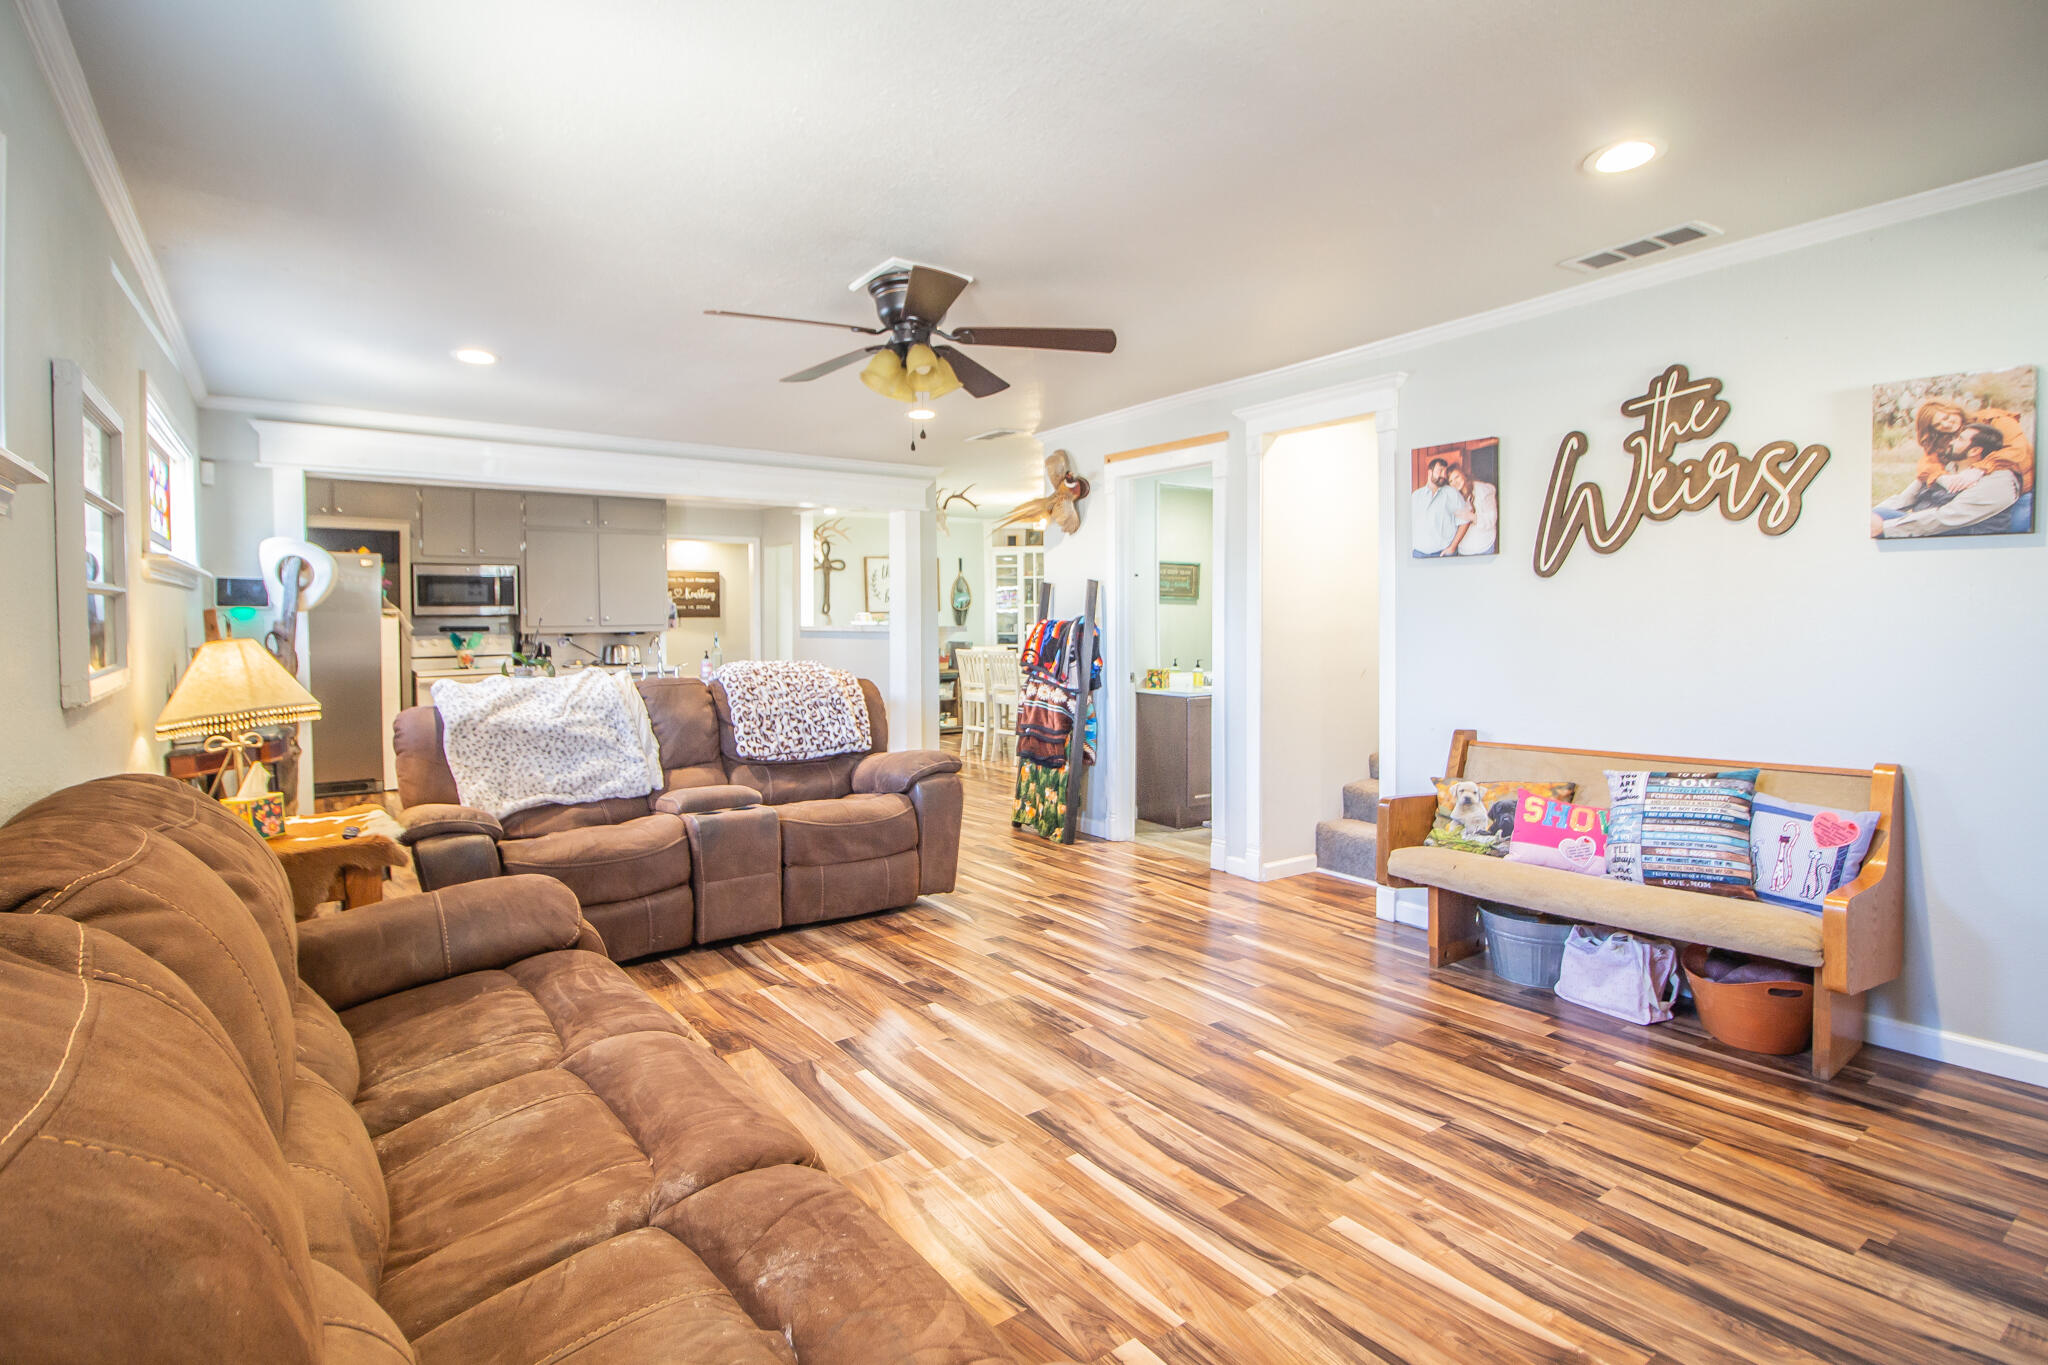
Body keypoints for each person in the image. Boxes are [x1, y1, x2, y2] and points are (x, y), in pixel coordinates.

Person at [1874, 404, 2034, 538]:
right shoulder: (1950, 461)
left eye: (1945, 417)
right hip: (1927, 523)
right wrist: (1941, 477)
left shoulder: (1997, 422)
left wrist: (1980, 468)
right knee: (1878, 514)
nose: (1946, 425)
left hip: (1964, 525)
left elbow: (2017, 452)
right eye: (1938, 425)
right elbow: (1923, 471)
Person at [1411, 457, 1466, 557]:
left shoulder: (1452, 493)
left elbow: (1465, 522)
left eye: (1445, 472)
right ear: (1429, 472)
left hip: (1443, 554)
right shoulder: (1416, 496)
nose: (1443, 475)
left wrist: (1452, 547)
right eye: (1440, 471)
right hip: (1418, 554)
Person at [1444, 465, 1498, 556]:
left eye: (1456, 477)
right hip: (1464, 550)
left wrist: (1472, 517)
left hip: (1483, 547)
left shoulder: (1484, 490)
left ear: (1464, 474)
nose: (1455, 483)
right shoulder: (1453, 497)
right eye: (1451, 481)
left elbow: (1491, 520)